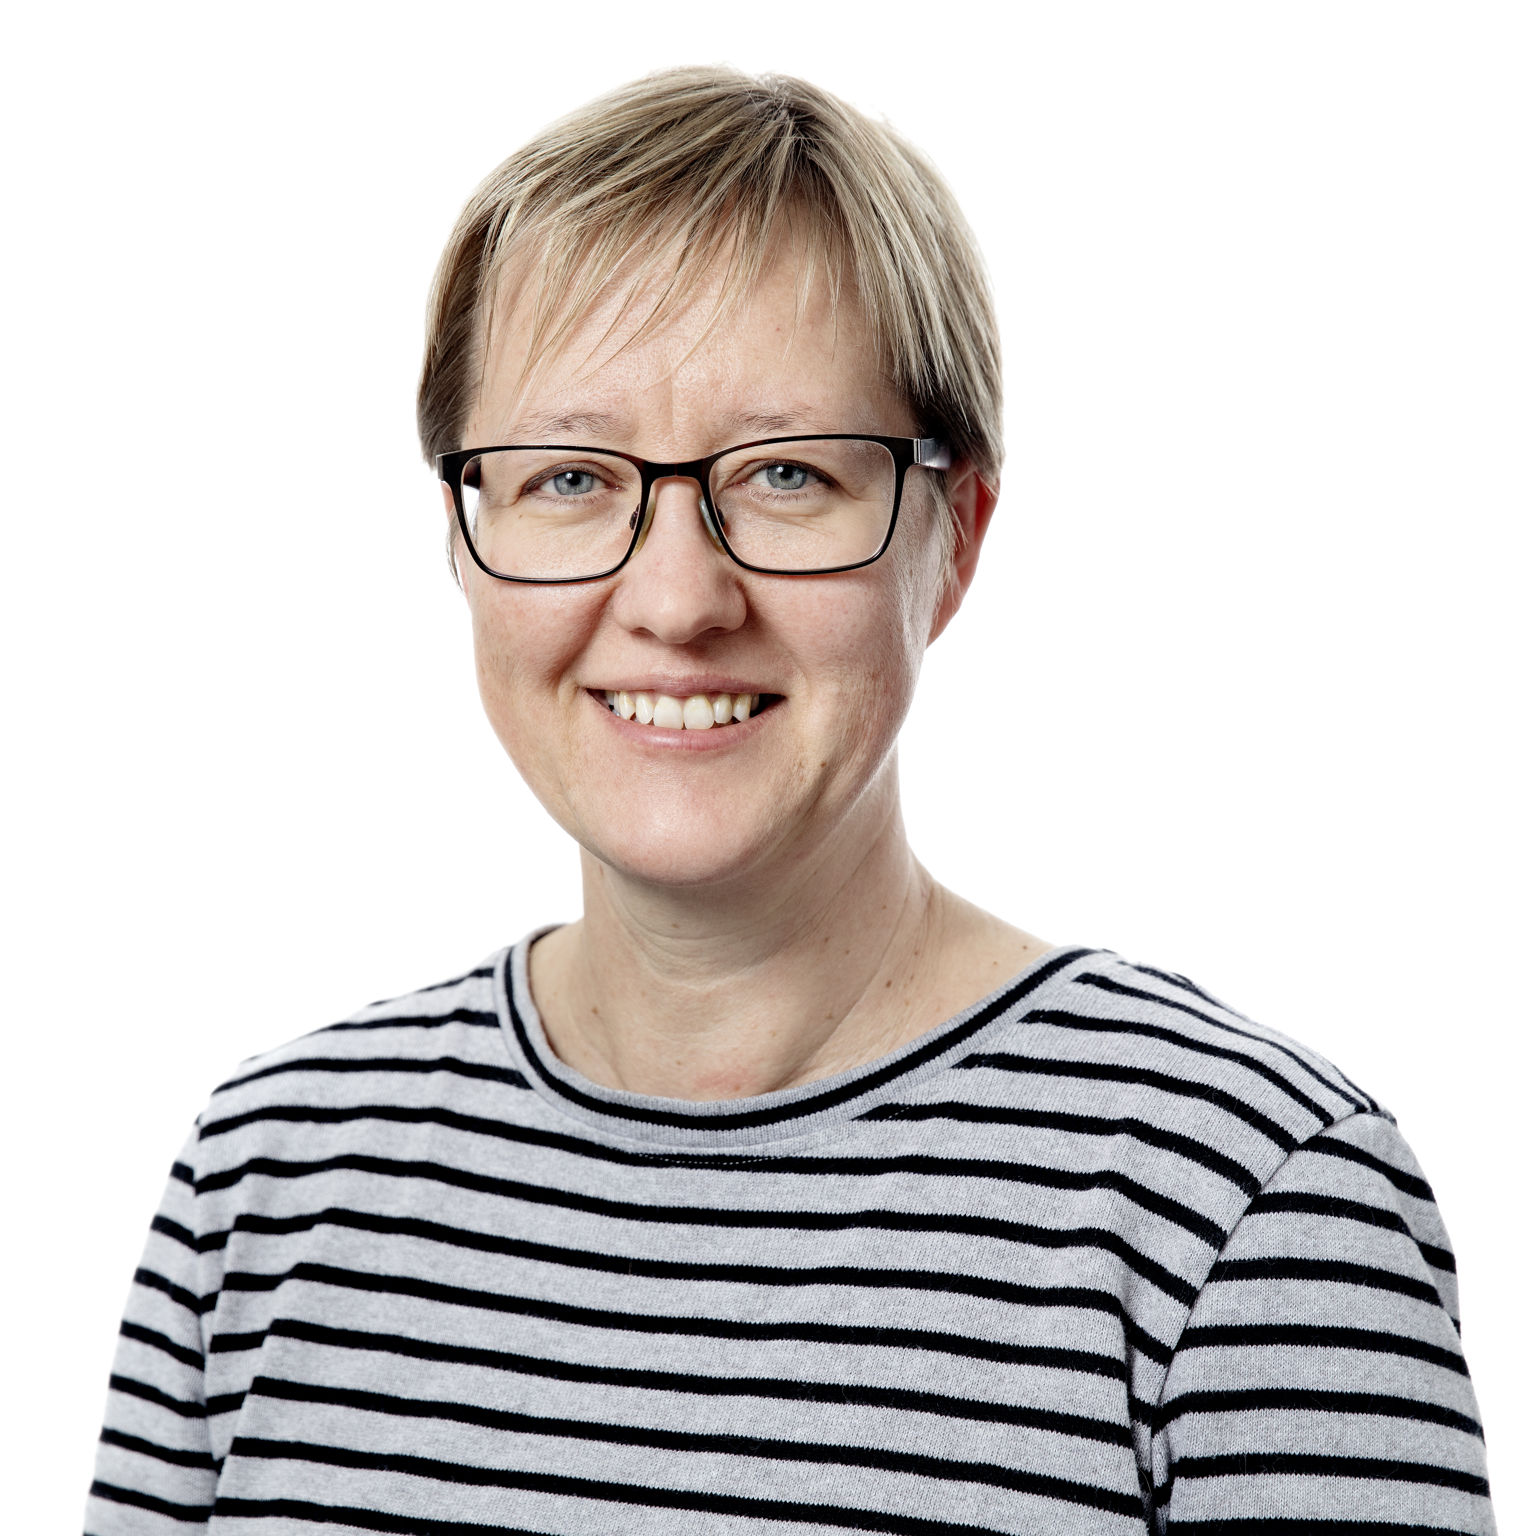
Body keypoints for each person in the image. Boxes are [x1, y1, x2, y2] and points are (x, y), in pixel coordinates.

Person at [86, 66, 1496, 1534]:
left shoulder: (1248, 1210)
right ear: (462, 531)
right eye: (569, 477)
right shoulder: (268, 1183)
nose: (676, 600)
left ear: (954, 536)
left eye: (785, 475)